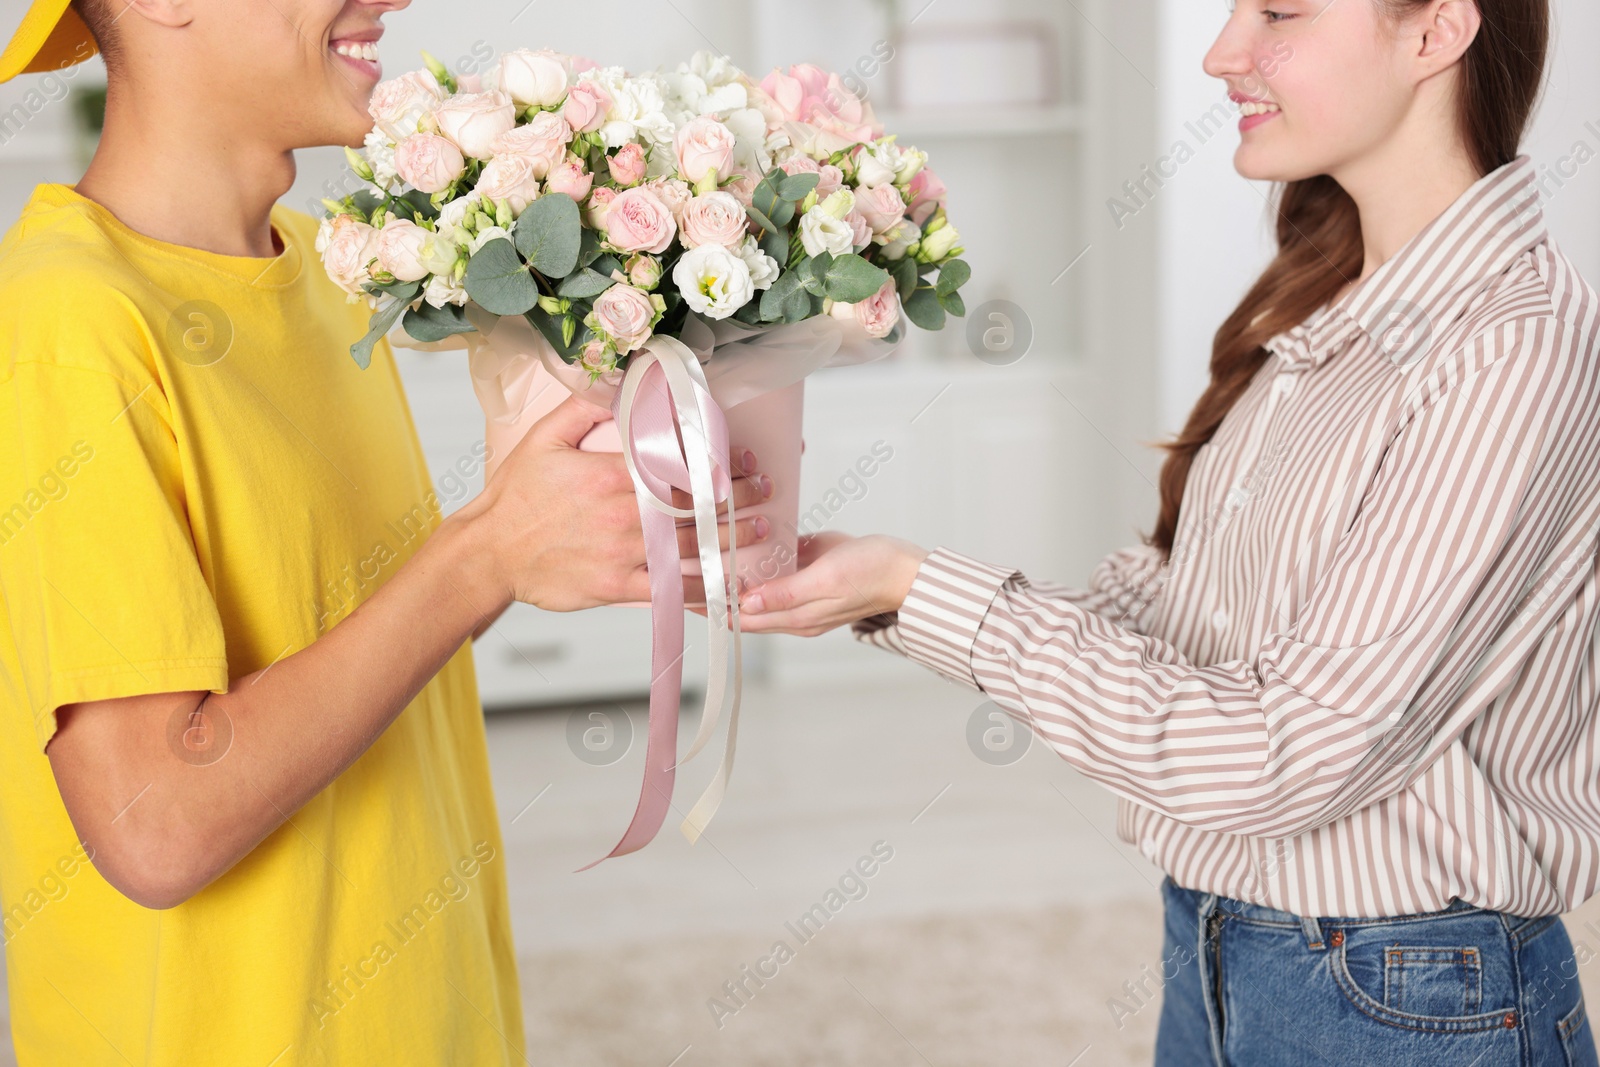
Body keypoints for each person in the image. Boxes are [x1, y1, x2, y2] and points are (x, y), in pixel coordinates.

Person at [738, 0, 1600, 1062]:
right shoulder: (1335, 301)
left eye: (1278, 10)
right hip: (1217, 938)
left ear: (1436, 33)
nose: (1220, 51)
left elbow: (1286, 750)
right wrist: (876, 586)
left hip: (1406, 993)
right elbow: (1181, 604)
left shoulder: (1509, 348)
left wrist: (922, 587)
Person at [0, 0, 771, 1063]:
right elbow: (155, 823)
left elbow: (338, 641)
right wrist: (483, 553)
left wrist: (546, 519)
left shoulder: (323, 267)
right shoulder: (65, 326)